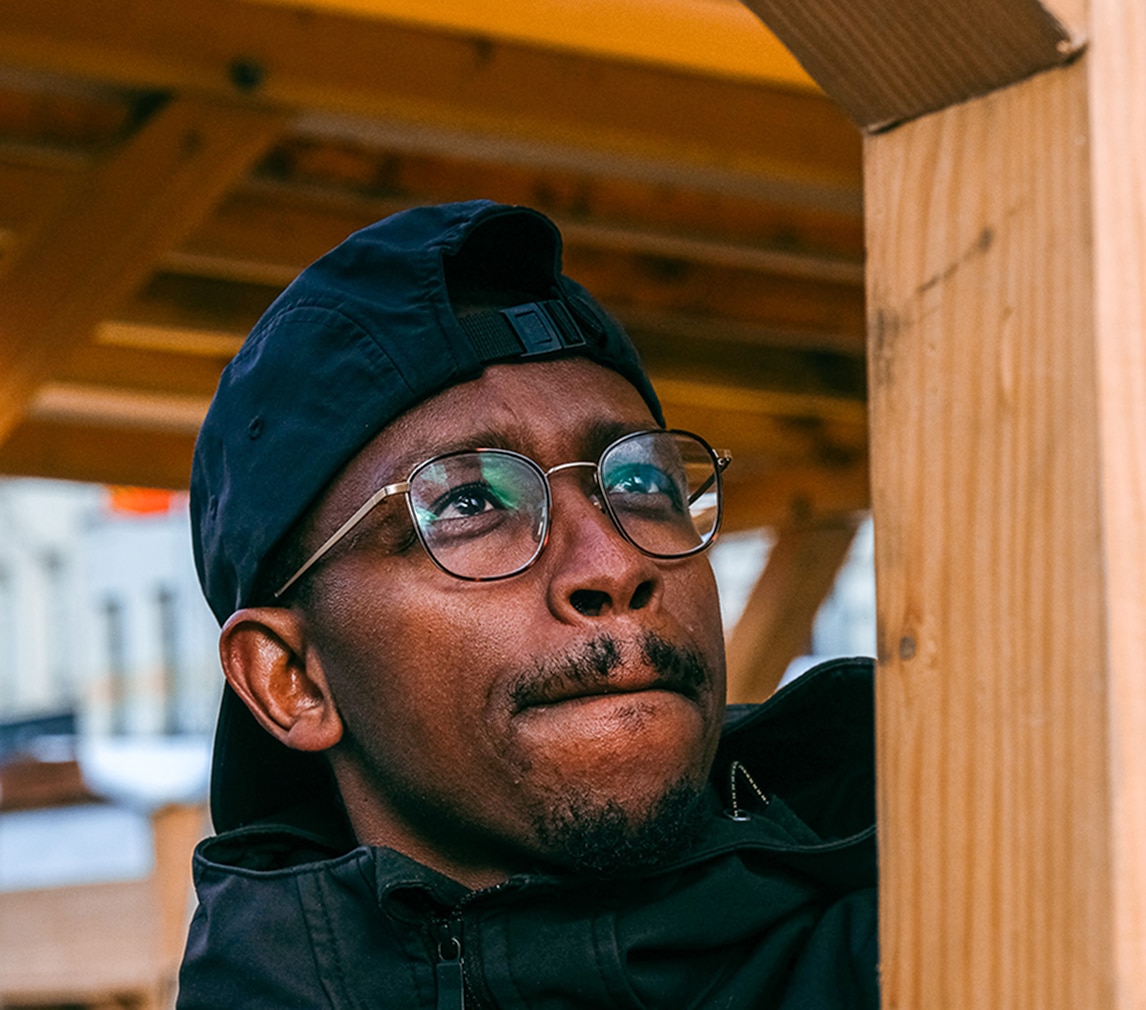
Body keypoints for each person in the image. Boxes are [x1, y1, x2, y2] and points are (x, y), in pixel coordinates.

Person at [178, 200, 877, 1009]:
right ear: (291, 679)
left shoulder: (942, 942)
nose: (615, 562)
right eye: (470, 503)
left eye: (640, 482)